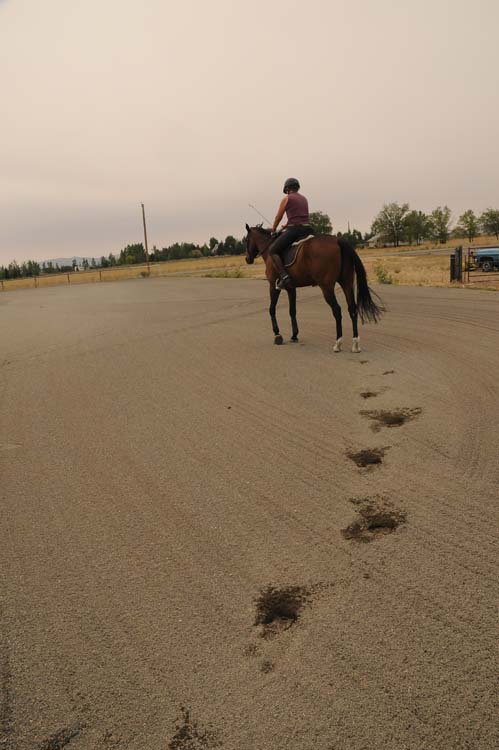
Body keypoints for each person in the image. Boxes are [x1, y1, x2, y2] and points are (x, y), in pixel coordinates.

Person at [269, 178, 313, 290]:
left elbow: (278, 217)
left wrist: (274, 229)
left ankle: (284, 277)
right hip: (308, 229)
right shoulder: (304, 199)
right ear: (297, 187)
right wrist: (287, 225)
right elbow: (300, 216)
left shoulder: (287, 198)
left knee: (273, 250)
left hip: (295, 231)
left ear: (287, 189)